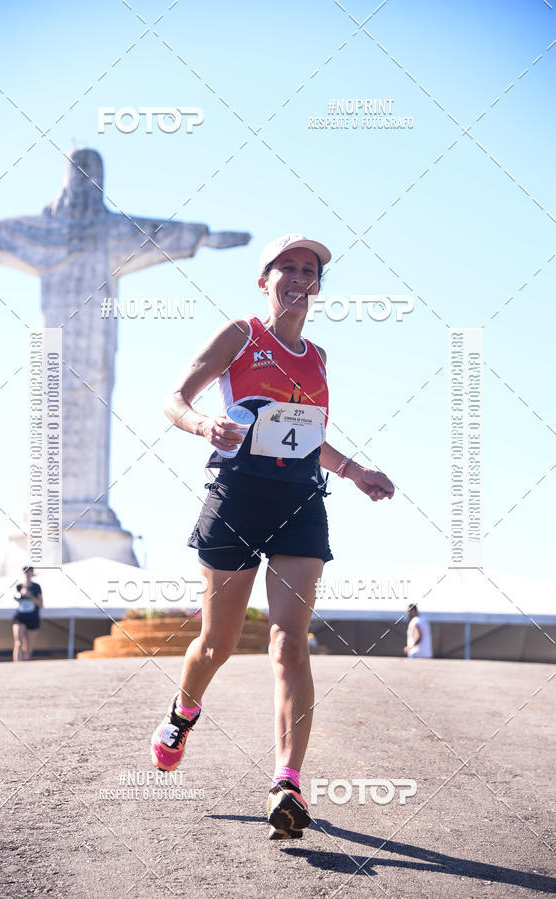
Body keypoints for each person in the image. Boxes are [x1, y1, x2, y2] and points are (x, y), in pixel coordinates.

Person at [151, 233, 395, 839]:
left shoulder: (317, 360)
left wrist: (355, 471)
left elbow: (307, 438)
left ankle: (288, 783)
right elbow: (173, 398)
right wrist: (204, 423)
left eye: (307, 269)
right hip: (236, 497)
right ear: (265, 281)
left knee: (290, 641)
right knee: (219, 641)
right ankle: (183, 713)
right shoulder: (241, 334)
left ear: (317, 285)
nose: (296, 276)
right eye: (284, 267)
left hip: (299, 504)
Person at [12, 566, 43, 661]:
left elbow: (41, 604)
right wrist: (17, 596)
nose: (27, 574)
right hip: (20, 616)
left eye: (29, 572)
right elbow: (15, 597)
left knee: (28, 644)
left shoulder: (36, 587)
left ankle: (26, 663)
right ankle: (16, 665)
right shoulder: (19, 586)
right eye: (26, 572)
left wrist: (30, 596)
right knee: (19, 642)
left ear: (32, 573)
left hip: (32, 617)